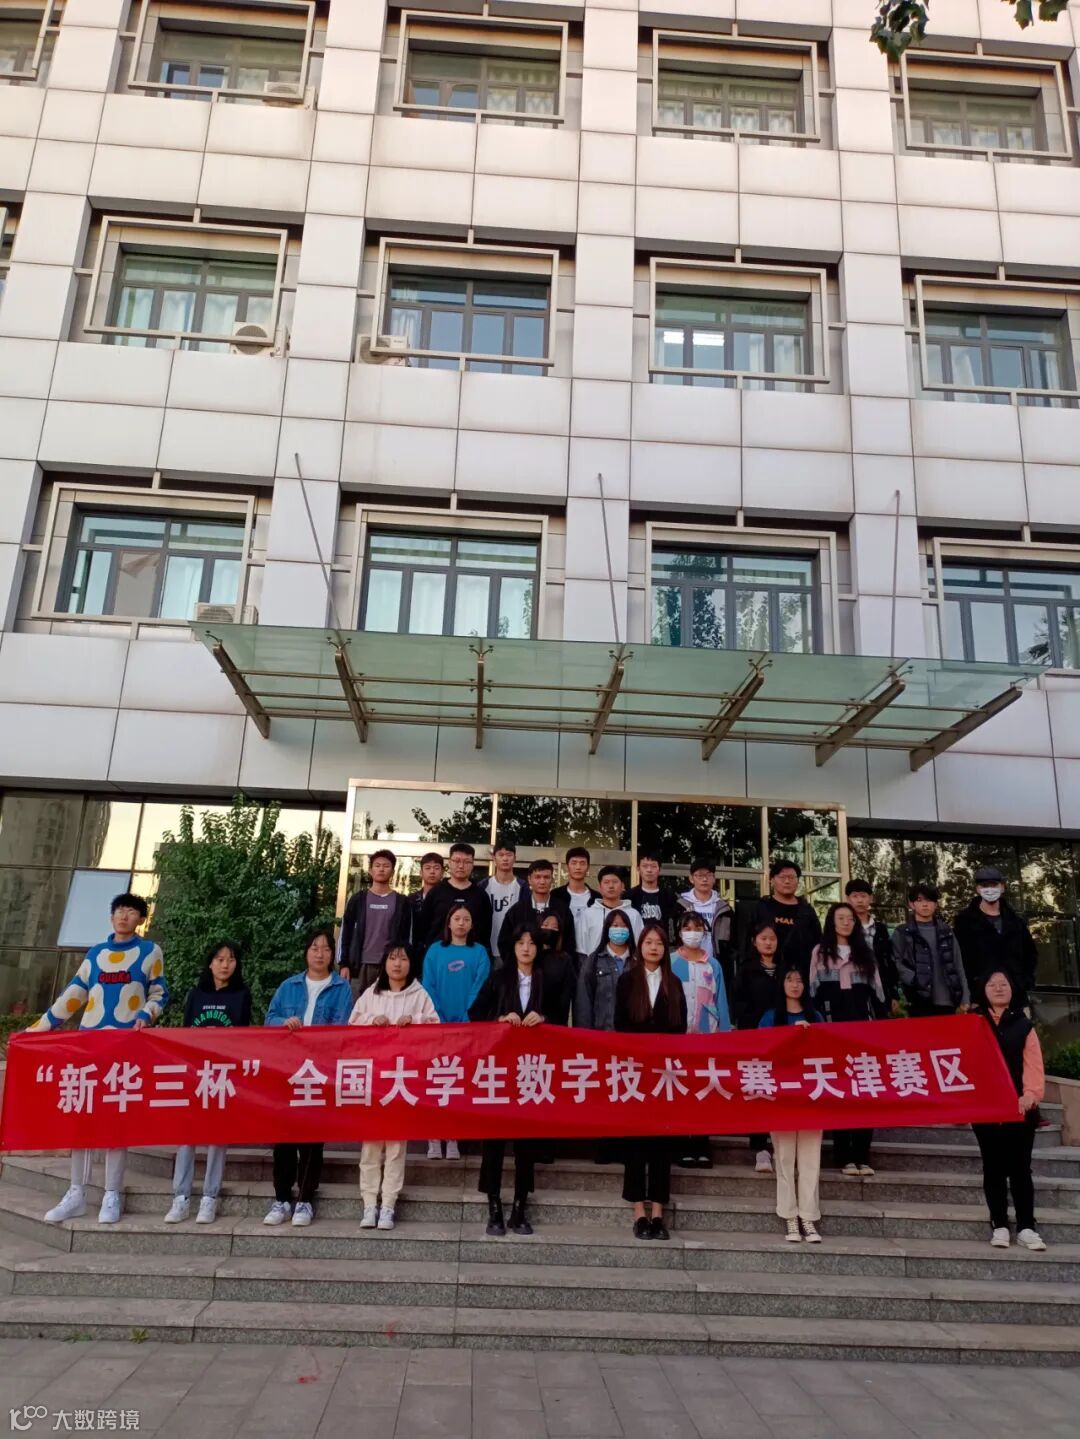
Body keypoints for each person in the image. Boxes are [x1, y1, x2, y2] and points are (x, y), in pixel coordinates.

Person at [36, 893, 167, 1226]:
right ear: (111, 917)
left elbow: (159, 992)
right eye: (119, 911)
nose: (124, 916)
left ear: (141, 919)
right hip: (89, 1049)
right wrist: (37, 1029)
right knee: (83, 1121)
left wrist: (146, 1014)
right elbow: (73, 995)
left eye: (131, 912)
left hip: (124, 1051)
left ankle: (112, 1194)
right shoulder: (95, 955)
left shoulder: (149, 952)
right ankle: (76, 1193)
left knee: (116, 1121)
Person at [264, 927, 352, 1227]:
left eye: (326, 949)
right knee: (284, 1138)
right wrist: (283, 1022)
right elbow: (270, 1019)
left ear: (333, 955)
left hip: (320, 1072)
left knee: (313, 1139)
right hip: (288, 1071)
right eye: (315, 948)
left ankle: (304, 1199)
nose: (320, 954)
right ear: (306, 952)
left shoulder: (341, 989)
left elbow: (342, 1030)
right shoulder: (288, 986)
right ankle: (281, 1198)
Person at [349, 945, 439, 1231]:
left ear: (411, 963)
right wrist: (370, 1021)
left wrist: (415, 1021)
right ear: (384, 963)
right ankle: (369, 1203)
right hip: (375, 1081)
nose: (397, 964)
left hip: (403, 1082)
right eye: (392, 958)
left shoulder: (420, 995)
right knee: (370, 1145)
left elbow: (437, 1028)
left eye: (403, 958)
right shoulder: (371, 994)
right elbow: (351, 1026)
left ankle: (388, 1204)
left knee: (397, 1146)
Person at [165, 939, 251, 1225]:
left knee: (217, 1136)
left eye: (231, 959)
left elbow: (244, 1037)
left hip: (223, 1076)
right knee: (186, 1136)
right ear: (210, 963)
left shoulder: (242, 995)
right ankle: (180, 1197)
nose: (225, 965)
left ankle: (209, 1197)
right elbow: (185, 1033)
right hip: (195, 1073)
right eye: (220, 959)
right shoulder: (196, 994)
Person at [469, 922, 548, 1236]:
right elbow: (475, 1013)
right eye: (520, 942)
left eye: (532, 942)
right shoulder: (499, 977)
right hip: (500, 1070)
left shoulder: (545, 979)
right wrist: (500, 1019)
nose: (526, 948)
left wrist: (543, 1018)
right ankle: (494, 1206)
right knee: (494, 1141)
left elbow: (559, 1016)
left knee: (526, 1143)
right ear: (512, 947)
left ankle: (519, 1206)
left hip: (532, 1070)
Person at [615, 922, 688, 1240]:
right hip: (635, 1072)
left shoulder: (674, 982)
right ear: (640, 947)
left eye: (659, 942)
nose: (654, 947)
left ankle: (658, 1213)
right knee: (635, 1142)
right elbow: (619, 1025)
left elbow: (680, 1028)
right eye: (649, 942)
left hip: (664, 1075)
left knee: (661, 1143)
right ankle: (639, 1212)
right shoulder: (627, 981)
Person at [971, 969, 1047, 1251]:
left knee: (1020, 1168)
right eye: (992, 984)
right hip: (986, 1110)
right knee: (993, 1167)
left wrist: (1030, 1095)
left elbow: (1033, 1064)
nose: (998, 988)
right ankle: (999, 1225)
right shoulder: (973, 1023)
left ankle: (1027, 1227)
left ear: (1013, 989)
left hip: (1020, 1109)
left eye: (1004, 984)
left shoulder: (1023, 1025)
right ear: (983, 990)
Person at [809, 902, 887, 1178]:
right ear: (831, 921)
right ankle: (844, 1156)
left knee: (865, 1092)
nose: (845, 922)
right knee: (839, 1093)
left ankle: (863, 1155)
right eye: (840, 918)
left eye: (850, 918)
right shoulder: (820, 952)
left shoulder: (865, 954)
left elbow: (878, 995)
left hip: (863, 1034)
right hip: (831, 1033)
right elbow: (812, 993)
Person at [421, 901, 491, 1160]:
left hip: (468, 1027)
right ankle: (433, 1136)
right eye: (457, 918)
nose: (461, 923)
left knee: (459, 1080)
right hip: (437, 1026)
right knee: (436, 1079)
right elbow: (428, 985)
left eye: (466, 919)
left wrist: (466, 1016)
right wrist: (438, 1017)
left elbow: (480, 986)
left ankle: (453, 1137)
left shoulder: (479, 952)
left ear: (472, 925)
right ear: (449, 923)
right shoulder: (435, 951)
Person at [759, 966, 825, 1243]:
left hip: (811, 1095)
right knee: (785, 1158)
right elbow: (761, 1050)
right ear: (781, 984)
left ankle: (808, 1216)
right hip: (782, 1096)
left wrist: (810, 1035)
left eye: (799, 980)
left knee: (810, 1158)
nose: (795, 985)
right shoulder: (770, 1017)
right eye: (789, 979)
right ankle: (789, 1215)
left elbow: (826, 1052)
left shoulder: (816, 1016)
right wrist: (788, 1034)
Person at [575, 906, 638, 1165]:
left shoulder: (638, 960)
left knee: (629, 1093)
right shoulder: (594, 961)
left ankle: (626, 1146)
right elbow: (583, 1001)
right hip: (602, 1037)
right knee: (605, 1094)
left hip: (633, 1041)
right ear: (606, 930)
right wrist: (585, 1038)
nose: (619, 930)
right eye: (614, 925)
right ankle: (604, 1146)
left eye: (623, 925)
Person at [671, 910, 731, 1168]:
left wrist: (724, 1036)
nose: (692, 933)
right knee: (680, 1090)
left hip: (706, 1039)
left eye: (697, 928)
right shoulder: (671, 962)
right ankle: (681, 1146)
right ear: (679, 932)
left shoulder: (713, 965)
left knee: (703, 1091)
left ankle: (701, 1145)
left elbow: (721, 1001)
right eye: (687, 928)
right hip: (678, 1038)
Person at [732, 922, 782, 1174]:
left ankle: (782, 1145)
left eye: (772, 938)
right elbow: (738, 1003)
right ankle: (760, 1147)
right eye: (763, 938)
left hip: (783, 1040)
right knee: (759, 1091)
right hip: (755, 1038)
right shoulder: (746, 970)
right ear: (754, 941)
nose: (768, 943)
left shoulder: (786, 969)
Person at [953, 867, 1038, 1010]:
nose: (990, 889)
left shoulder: (1016, 921)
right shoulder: (964, 922)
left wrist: (1023, 983)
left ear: (1002, 887)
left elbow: (1030, 955)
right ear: (978, 889)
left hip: (1015, 998)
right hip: (979, 999)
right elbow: (960, 961)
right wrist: (970, 994)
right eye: (985, 885)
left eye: (994, 885)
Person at [338, 849, 411, 995]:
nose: (381, 869)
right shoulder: (358, 899)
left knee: (388, 1006)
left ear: (392, 871)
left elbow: (407, 938)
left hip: (390, 966)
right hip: (359, 965)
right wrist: (344, 964)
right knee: (357, 1006)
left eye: (386, 866)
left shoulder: (401, 902)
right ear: (370, 871)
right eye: (377, 865)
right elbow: (345, 933)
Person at [892, 883, 969, 1017]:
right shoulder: (903, 932)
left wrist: (965, 997)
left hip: (947, 1000)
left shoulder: (946, 931)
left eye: (929, 900)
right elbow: (896, 962)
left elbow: (958, 965)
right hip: (918, 999)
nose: (925, 905)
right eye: (919, 900)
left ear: (936, 904)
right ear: (911, 904)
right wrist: (914, 979)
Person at [740, 859, 823, 980]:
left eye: (792, 877)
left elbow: (817, 943)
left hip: (799, 977)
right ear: (772, 880)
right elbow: (746, 942)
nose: (787, 881)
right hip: (765, 974)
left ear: (798, 881)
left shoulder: (807, 911)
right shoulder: (761, 908)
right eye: (782, 877)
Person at [417, 842, 492, 956]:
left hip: (471, 956)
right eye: (457, 861)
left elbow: (486, 930)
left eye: (466, 862)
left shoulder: (481, 895)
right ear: (449, 863)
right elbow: (423, 927)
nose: (461, 866)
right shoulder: (435, 892)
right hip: (439, 955)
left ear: (473, 864)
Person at [677, 858, 735, 994]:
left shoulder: (724, 909)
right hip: (686, 964)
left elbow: (733, 942)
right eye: (699, 875)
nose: (704, 879)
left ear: (714, 878)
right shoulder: (680, 906)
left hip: (715, 964)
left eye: (709, 875)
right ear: (691, 879)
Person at [845, 879, 901, 1014]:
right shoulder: (844, 928)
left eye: (863, 896)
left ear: (871, 898)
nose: (859, 900)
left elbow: (889, 962)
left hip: (880, 986)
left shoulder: (880, 929)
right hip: (853, 987)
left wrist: (893, 993)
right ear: (848, 899)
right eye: (855, 896)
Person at [576, 866, 644, 960]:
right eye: (606, 882)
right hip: (595, 966)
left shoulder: (633, 915)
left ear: (622, 886)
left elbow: (640, 945)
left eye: (615, 882)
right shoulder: (588, 914)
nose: (611, 886)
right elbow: (581, 949)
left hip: (628, 966)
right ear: (599, 887)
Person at [498, 859, 557, 964]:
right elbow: (504, 943)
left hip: (554, 969)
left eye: (546, 877)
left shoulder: (562, 909)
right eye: (537, 877)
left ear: (552, 879)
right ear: (529, 879)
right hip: (522, 969)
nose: (542, 881)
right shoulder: (516, 911)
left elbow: (569, 943)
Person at [485, 839, 525, 961]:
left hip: (514, 952)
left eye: (509, 855)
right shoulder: (483, 886)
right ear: (494, 858)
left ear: (515, 858)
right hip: (487, 951)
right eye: (501, 855)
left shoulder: (523, 887)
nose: (505, 858)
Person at [550, 845, 599, 943]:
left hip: (590, 947)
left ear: (588, 867)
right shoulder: (556, 895)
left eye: (582, 863)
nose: (578, 867)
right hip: (563, 948)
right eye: (574, 863)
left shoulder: (597, 898)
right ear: (567, 866)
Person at [537, 911, 576, 1027]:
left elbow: (565, 998)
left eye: (554, 927)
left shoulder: (564, 960)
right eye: (545, 925)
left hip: (554, 1023)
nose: (549, 929)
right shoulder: (529, 955)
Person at [628, 850, 682, 936]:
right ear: (638, 868)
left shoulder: (670, 897)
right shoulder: (629, 897)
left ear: (659, 869)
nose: (649, 870)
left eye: (653, 866)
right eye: (645, 866)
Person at [408, 852, 446, 971]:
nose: (432, 872)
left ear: (443, 872)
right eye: (428, 868)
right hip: (415, 952)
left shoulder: (448, 898)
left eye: (436, 868)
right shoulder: (411, 899)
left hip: (442, 951)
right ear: (421, 872)